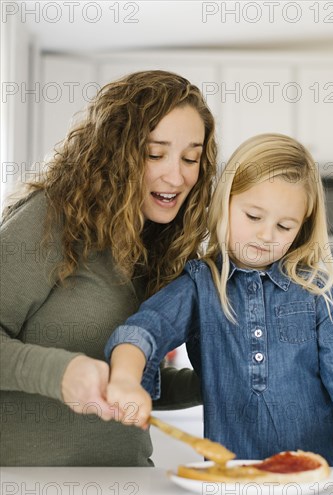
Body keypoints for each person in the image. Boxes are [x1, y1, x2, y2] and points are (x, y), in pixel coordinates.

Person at [104, 133, 333, 469]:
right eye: (253, 216)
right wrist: (124, 377)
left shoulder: (314, 288)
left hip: (320, 476)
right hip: (236, 478)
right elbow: (147, 328)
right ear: (224, 203)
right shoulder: (201, 284)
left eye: (284, 226)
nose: (266, 235)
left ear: (301, 229)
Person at [0, 70, 217, 466]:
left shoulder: (159, 243)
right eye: (155, 154)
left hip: (129, 487)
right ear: (115, 153)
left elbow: (127, 385)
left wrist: (213, 384)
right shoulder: (49, 221)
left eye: (191, 157)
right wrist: (59, 372)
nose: (178, 175)